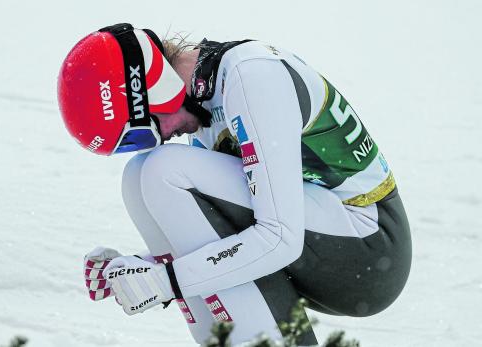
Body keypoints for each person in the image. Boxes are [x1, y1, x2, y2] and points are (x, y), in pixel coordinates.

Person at [58, 23, 412, 346]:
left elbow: (279, 237)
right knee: (137, 177)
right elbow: (226, 233)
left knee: (160, 171)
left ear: (146, 86)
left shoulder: (251, 77)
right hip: (326, 242)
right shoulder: (206, 99)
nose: (160, 138)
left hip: (370, 242)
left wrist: (166, 279)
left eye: (142, 131)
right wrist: (142, 269)